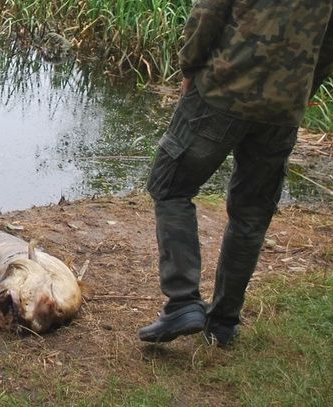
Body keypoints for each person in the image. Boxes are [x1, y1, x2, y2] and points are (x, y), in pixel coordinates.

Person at [138, 0, 333, 346]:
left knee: (169, 186)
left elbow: (208, 13)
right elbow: (328, 45)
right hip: (283, 107)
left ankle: (183, 302)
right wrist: (298, 91)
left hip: (222, 90)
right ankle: (224, 323)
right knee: (252, 214)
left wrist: (189, 69)